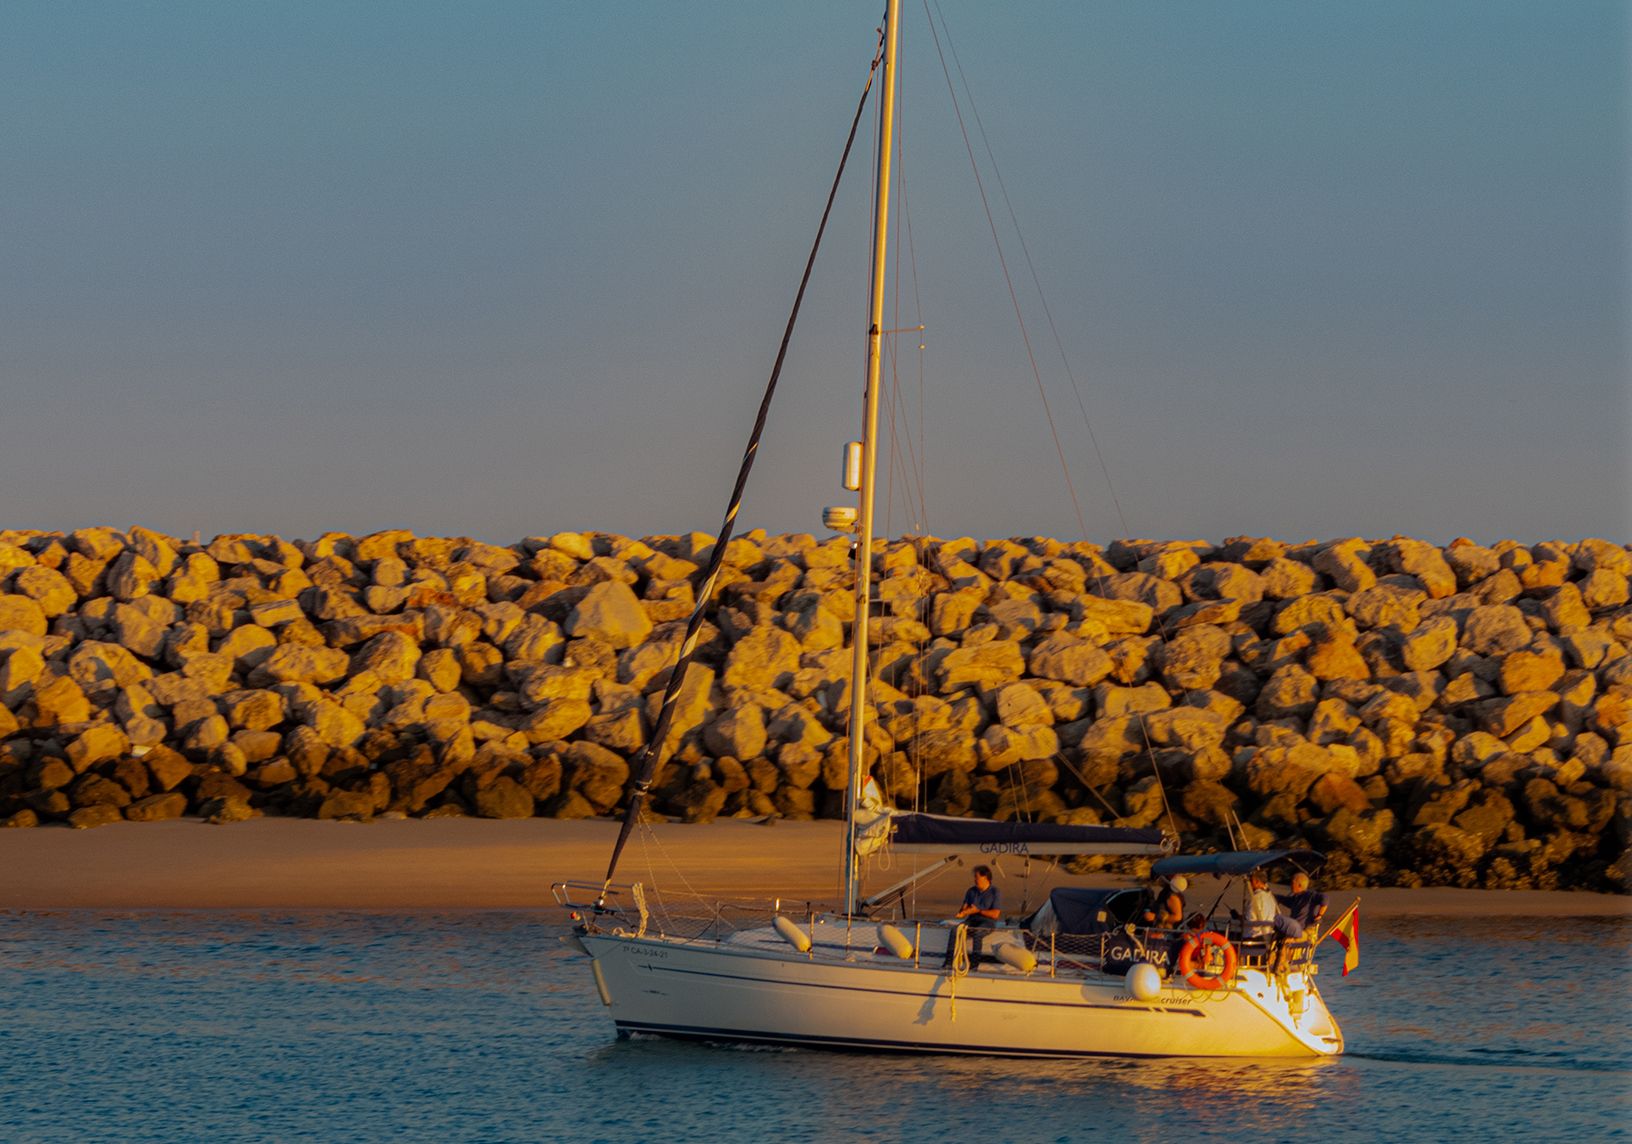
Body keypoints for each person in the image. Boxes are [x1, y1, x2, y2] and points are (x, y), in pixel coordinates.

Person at [943, 865, 1001, 970]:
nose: (974, 879)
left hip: (988, 922)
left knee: (978, 932)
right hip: (972, 920)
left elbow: (995, 914)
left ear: (985, 878)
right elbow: (964, 908)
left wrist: (978, 911)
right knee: (954, 931)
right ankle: (948, 962)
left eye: (976, 877)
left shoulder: (995, 892)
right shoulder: (971, 891)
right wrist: (963, 911)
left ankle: (974, 964)